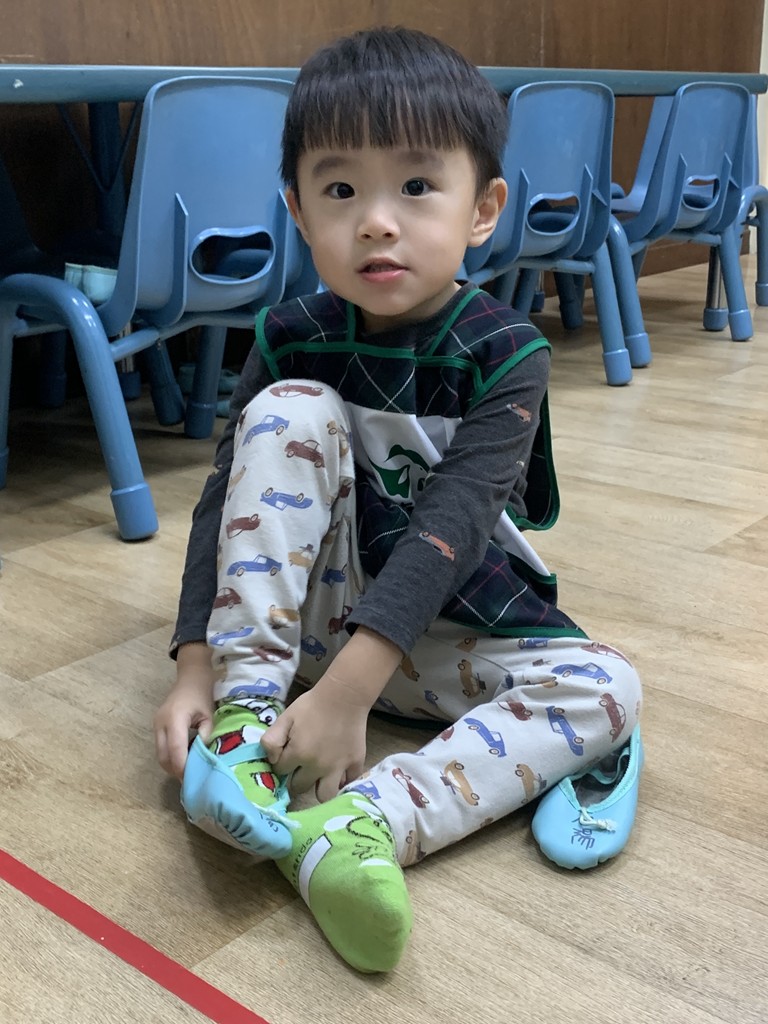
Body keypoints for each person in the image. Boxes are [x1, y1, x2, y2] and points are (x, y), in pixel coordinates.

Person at [153, 26, 643, 974]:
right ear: (299, 212)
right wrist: (194, 668)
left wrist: (348, 697)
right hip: (311, 631)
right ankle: (246, 734)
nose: (377, 221)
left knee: (610, 687)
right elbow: (224, 501)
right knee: (287, 410)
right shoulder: (288, 336)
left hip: (436, 633)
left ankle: (357, 825)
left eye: (417, 185)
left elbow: (454, 525)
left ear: (482, 208)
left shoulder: (507, 351)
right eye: (340, 191)